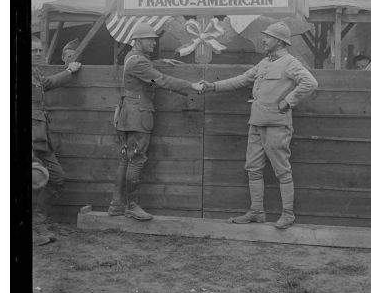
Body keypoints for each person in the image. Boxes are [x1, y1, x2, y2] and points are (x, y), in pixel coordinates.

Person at [200, 22, 318, 229]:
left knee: (282, 170)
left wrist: (288, 101)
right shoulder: (264, 63)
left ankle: (288, 214)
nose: (263, 40)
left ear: (280, 41)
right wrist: (213, 87)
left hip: (276, 125)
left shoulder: (290, 62)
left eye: (268, 37)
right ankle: (256, 212)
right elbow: (242, 79)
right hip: (256, 123)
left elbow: (310, 82)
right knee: (253, 168)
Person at [108, 22, 202, 220]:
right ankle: (131, 206)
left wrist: (160, 61)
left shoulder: (131, 57)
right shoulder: (139, 62)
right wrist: (191, 86)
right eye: (149, 39)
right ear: (138, 41)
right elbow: (161, 80)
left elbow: (143, 68)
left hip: (127, 114)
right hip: (138, 115)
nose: (153, 43)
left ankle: (116, 204)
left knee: (126, 158)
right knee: (137, 160)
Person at [32, 35, 82, 245]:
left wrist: (69, 71)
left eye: (38, 50)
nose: (37, 54)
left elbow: (46, 83)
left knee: (56, 177)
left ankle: (38, 222)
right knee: (34, 181)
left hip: (41, 138)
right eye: (32, 51)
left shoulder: (34, 72)